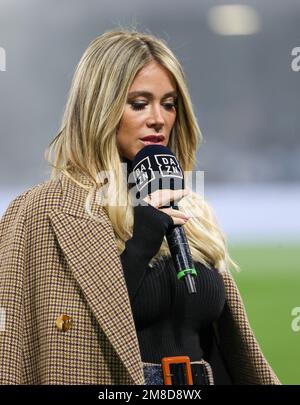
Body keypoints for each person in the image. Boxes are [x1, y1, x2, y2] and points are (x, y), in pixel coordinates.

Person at [0, 28, 280, 385]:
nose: (158, 119)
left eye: (169, 103)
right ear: (100, 108)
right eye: (138, 103)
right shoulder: (42, 211)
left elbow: (217, 345)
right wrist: (142, 240)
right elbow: (24, 346)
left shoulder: (191, 210)